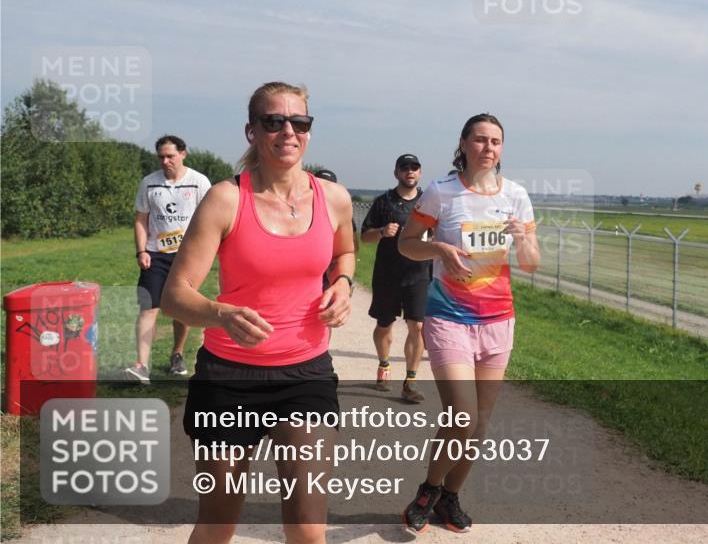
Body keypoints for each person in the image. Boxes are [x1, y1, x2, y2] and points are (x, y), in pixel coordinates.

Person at [160, 82, 355, 544]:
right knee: (218, 523)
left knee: (309, 528)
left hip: (306, 374)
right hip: (229, 379)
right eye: (274, 122)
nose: (288, 131)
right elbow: (174, 295)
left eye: (299, 122)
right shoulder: (226, 199)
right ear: (252, 132)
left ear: (308, 131)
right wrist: (221, 313)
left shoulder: (334, 197)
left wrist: (343, 284)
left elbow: (345, 254)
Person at [397, 114, 539, 534]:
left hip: (498, 321)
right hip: (449, 318)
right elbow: (407, 246)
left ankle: (451, 497)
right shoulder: (440, 193)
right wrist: (439, 248)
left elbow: (531, 265)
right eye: (480, 139)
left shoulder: (516, 196)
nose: (488, 148)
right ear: (463, 144)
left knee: (481, 420)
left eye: (496, 141)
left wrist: (524, 239)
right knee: (463, 415)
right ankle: (428, 489)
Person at [128, 135, 212, 382]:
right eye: (161, 157)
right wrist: (141, 250)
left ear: (183, 154)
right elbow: (140, 219)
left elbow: (210, 219)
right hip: (155, 254)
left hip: (187, 256)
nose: (166, 161)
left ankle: (177, 354)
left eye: (170, 156)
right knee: (148, 308)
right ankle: (142, 365)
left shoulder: (199, 182)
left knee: (181, 310)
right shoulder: (149, 183)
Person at [360, 154, 433, 403]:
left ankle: (410, 381)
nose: (410, 172)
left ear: (420, 173)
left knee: (418, 327)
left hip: (420, 275)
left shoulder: (430, 203)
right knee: (384, 325)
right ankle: (384, 364)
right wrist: (381, 231)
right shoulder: (384, 202)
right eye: (405, 168)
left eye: (414, 168)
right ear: (396, 173)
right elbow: (365, 237)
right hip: (388, 274)